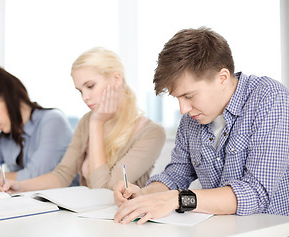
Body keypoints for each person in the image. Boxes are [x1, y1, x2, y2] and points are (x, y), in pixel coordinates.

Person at [113, 27, 289, 225]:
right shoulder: (192, 117)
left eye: (189, 96)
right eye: (177, 98)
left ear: (222, 78)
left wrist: (177, 199)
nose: (183, 109)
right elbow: (176, 175)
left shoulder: (270, 98)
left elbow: (256, 192)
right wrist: (145, 196)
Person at [0, 47, 166, 193]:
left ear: (116, 79)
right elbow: (62, 175)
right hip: (86, 220)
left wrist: (97, 125)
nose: (85, 97)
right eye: (80, 91)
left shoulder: (151, 132)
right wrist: (20, 186)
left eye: (90, 86)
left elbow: (104, 191)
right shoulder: (87, 121)